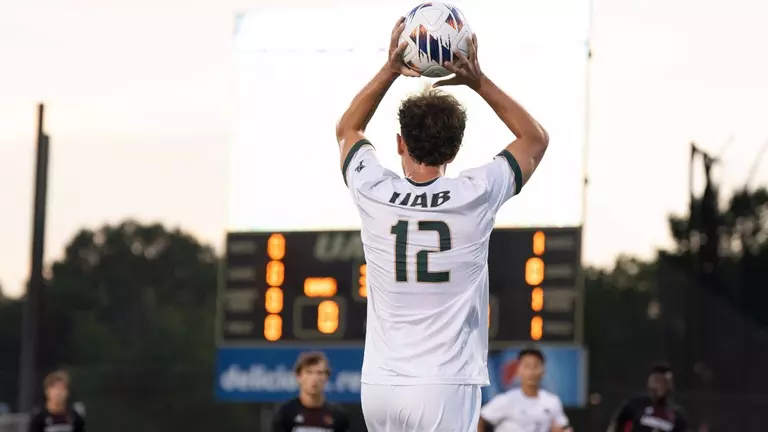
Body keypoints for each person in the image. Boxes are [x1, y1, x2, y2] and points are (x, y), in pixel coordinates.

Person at [335, 17, 549, 432]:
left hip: (378, 385)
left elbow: (348, 129)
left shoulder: (374, 190)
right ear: (456, 147)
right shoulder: (476, 193)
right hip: (443, 383)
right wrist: (477, 79)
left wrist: (391, 69)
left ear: (400, 143)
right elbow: (534, 139)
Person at [478, 348, 571, 432]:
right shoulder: (507, 399)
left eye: (535, 366)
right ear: (519, 370)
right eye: (527, 366)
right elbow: (481, 419)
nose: (531, 372)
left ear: (543, 370)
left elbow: (564, 427)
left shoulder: (552, 401)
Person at [271, 351, 351, 432]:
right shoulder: (286, 413)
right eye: (309, 372)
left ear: (327, 377)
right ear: (298, 376)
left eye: (319, 373)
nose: (314, 378)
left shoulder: (338, 416)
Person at [607, 362, 689, 432]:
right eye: (655, 381)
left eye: (663, 382)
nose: (658, 385)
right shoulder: (636, 404)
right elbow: (616, 425)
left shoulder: (677, 415)